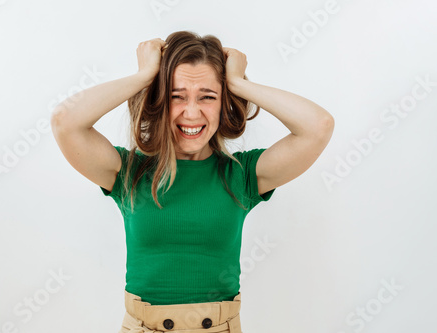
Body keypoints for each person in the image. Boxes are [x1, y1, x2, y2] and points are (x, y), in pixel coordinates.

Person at [51, 30, 334, 333]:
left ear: (224, 102)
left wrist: (238, 83)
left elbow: (318, 127)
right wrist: (146, 74)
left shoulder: (242, 175)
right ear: (158, 100)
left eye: (207, 97)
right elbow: (64, 121)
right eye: (176, 96)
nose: (191, 113)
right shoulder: (129, 171)